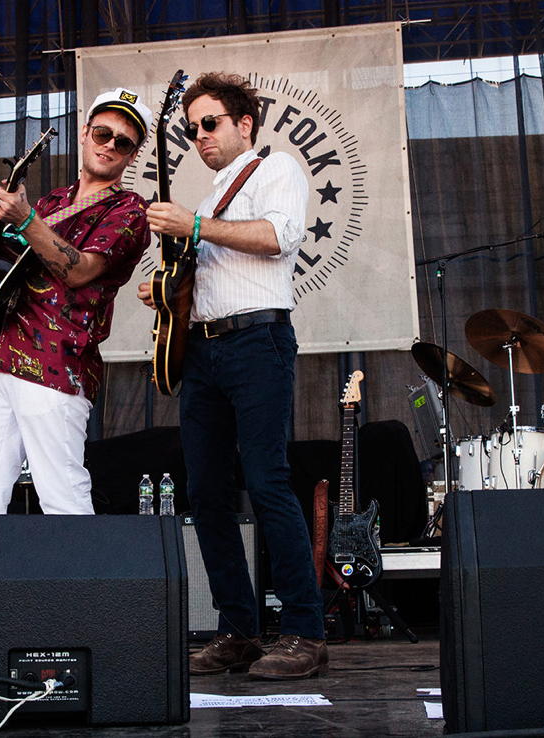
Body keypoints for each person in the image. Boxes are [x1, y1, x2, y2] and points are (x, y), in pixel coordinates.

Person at [138, 72, 327, 680]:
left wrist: (194, 226)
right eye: (193, 128)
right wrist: (168, 291)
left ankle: (304, 630)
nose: (201, 136)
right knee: (206, 493)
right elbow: (211, 268)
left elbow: (276, 238)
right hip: (204, 350)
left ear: (245, 123)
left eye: (211, 123)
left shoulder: (278, 170)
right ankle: (238, 628)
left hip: (257, 342)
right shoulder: (214, 193)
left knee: (268, 481)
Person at [0, 88, 152, 515]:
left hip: (58, 368)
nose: (110, 144)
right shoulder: (51, 202)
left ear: (133, 156)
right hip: (0, 360)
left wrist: (24, 218)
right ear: (84, 133)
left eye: (123, 141)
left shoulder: (130, 212)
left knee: (63, 497)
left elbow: (78, 271)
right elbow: (11, 273)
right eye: (102, 133)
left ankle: (83, 585)